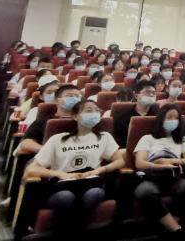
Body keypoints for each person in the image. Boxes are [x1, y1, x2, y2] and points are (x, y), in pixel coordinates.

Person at [25, 99, 124, 234]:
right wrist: (60, 174)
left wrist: (100, 170)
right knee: (65, 197)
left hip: (90, 182)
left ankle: (74, 233)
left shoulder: (104, 137)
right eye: (88, 110)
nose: (94, 113)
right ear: (75, 116)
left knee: (95, 193)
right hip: (62, 184)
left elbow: (120, 161)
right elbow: (33, 168)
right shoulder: (58, 139)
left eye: (97, 110)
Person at [133, 104, 185, 237]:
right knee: (144, 191)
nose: (173, 121)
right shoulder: (148, 138)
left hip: (174, 176)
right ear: (161, 118)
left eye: (176, 118)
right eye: (169, 117)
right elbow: (139, 163)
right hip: (153, 177)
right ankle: (176, 229)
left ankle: (171, 228)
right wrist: (158, 165)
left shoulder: (182, 140)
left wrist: (169, 161)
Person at [19, 84, 81, 155]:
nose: (75, 99)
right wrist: (47, 150)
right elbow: (25, 143)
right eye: (70, 96)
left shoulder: (84, 120)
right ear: (57, 100)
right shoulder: (44, 120)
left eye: (77, 96)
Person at [113, 80, 159, 146]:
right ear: (136, 96)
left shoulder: (159, 115)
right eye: (147, 92)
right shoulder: (122, 118)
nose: (151, 95)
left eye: (154, 93)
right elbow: (120, 142)